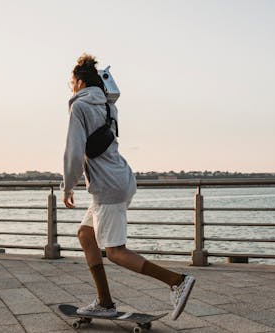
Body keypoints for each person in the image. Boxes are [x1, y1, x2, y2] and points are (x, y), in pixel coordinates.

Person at [61, 54, 195, 320]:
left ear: (78, 82)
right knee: (86, 235)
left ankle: (177, 280)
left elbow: (74, 151)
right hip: (120, 178)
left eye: (70, 83)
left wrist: (67, 186)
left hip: (107, 186)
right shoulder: (109, 105)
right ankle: (105, 302)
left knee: (115, 251)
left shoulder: (79, 107)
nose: (70, 88)